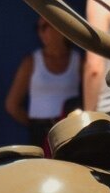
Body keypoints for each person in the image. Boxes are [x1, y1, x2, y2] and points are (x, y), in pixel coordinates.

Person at [4, 17, 81, 150]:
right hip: (41, 132)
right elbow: (12, 105)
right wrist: (36, 125)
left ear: (61, 29)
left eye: (45, 26)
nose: (41, 32)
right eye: (38, 28)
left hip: (70, 130)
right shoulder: (31, 62)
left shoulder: (79, 61)